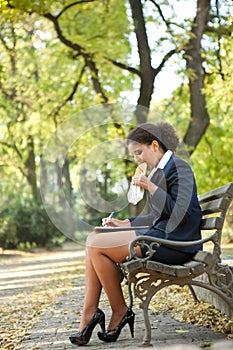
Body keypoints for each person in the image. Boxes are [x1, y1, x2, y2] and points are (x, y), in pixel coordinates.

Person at [69, 122, 202, 346]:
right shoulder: (160, 172)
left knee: (96, 246)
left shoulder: (180, 168)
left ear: (155, 145)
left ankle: (116, 311)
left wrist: (150, 187)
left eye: (139, 152)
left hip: (177, 243)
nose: (137, 159)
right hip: (160, 236)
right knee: (94, 238)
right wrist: (124, 223)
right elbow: (156, 217)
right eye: (133, 155)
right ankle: (91, 312)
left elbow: (183, 214)